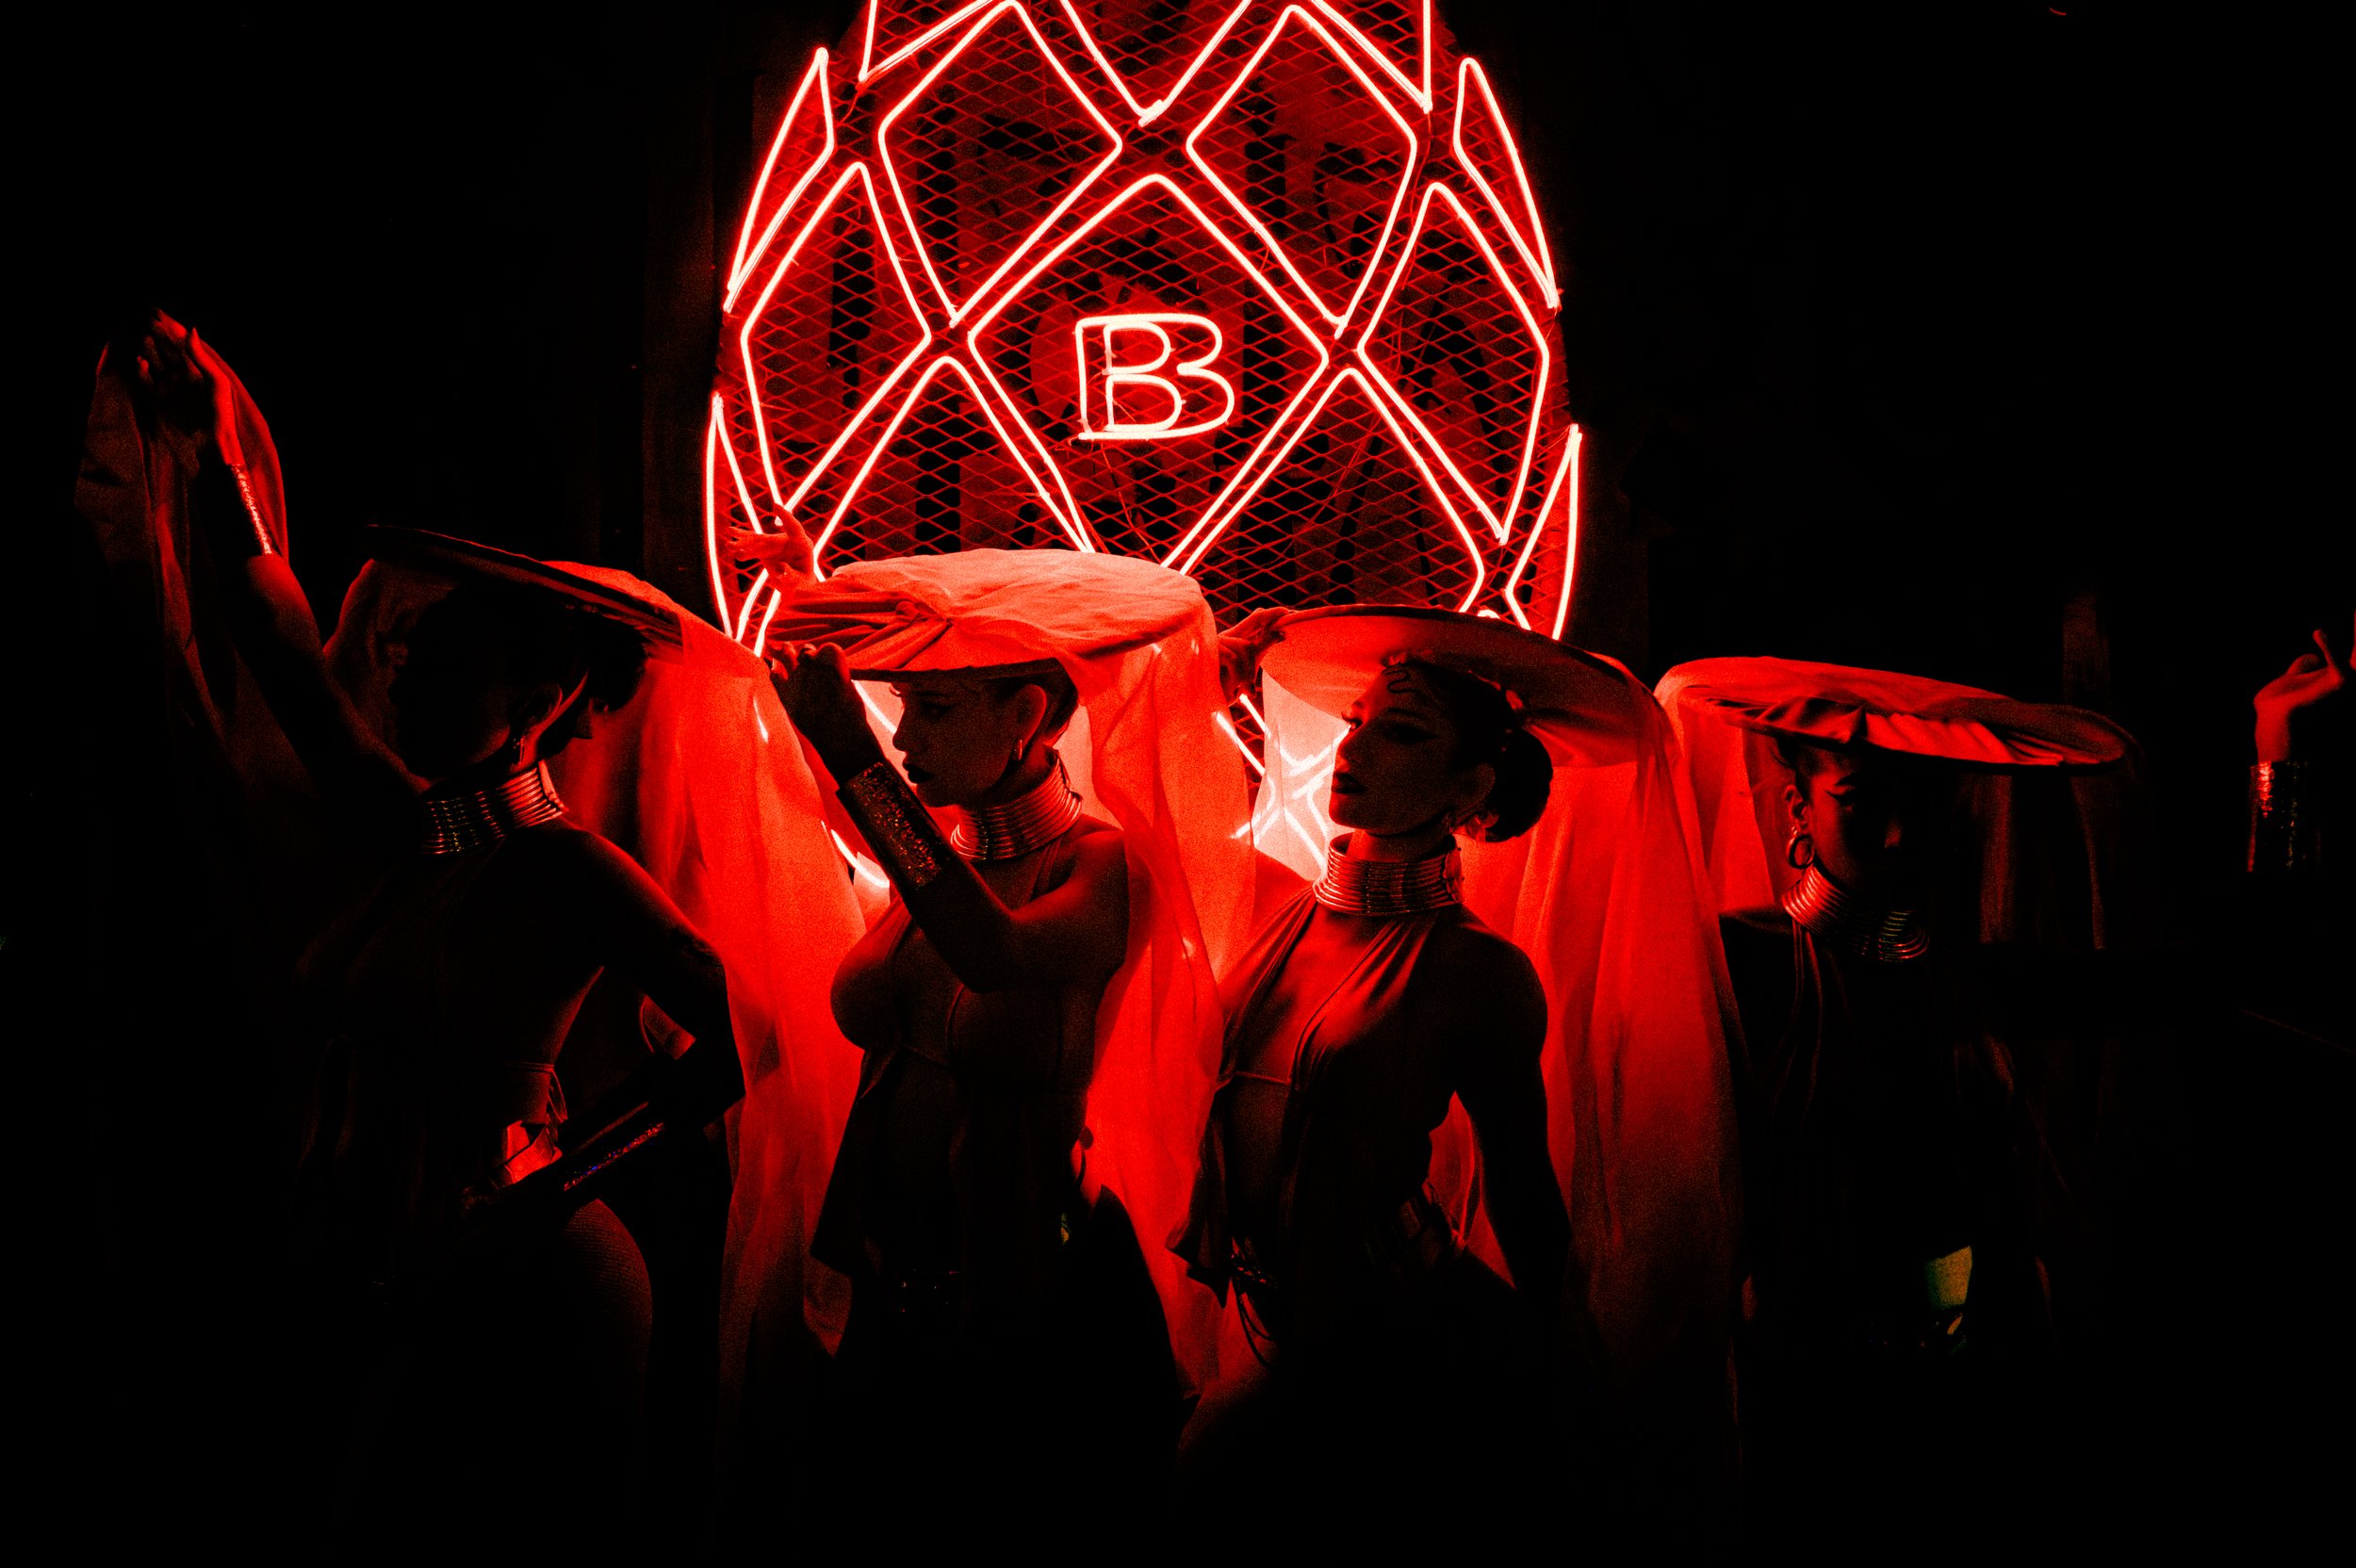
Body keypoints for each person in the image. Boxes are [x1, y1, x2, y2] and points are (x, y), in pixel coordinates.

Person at [133, 314, 749, 1545]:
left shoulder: (567, 868)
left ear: (542, 698)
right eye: (409, 655)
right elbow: (287, 647)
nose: (403, 678)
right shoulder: (418, 836)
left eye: (445, 667)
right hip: (365, 1260)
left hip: (523, 1279)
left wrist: (552, 1187)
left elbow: (737, 1049)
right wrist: (215, 459)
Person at [1186, 607, 1743, 1538]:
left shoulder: (1476, 970)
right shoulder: (1274, 904)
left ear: (1468, 786)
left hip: (1402, 1334)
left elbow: (1521, 1185)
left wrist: (1569, 1356)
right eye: (1355, 720)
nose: (1352, 745)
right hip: (1265, 1316)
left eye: (1401, 730)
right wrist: (1211, 682)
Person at [758, 547, 1252, 1526]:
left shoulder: (1099, 864)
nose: (902, 739)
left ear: (1027, 716)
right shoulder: (924, 869)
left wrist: (852, 753)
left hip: (1037, 1289)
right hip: (881, 1277)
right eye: (897, 711)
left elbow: (989, 950)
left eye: (933, 710)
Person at [1654, 657, 2137, 1544]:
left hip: (1960, 1377)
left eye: (1935, 806)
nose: (1901, 835)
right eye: (1862, 799)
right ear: (1798, 807)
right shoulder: (1737, 964)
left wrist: (2281, 763)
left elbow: (2206, 981)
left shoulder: (1976, 983)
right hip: (1768, 1376)